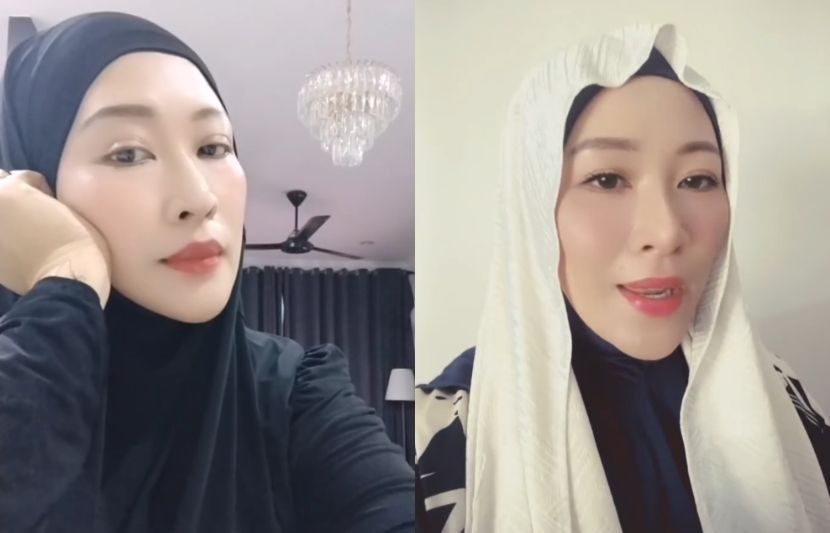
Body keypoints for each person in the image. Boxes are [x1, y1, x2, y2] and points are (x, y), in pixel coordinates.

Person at [0, 12, 414, 533]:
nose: (199, 198)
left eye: (212, 147)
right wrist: (68, 283)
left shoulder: (293, 392)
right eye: (128, 154)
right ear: (37, 189)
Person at [415, 24, 830, 532]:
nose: (665, 232)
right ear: (533, 202)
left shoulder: (778, 395)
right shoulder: (443, 433)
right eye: (607, 179)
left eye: (698, 179)